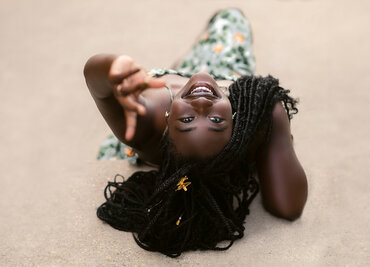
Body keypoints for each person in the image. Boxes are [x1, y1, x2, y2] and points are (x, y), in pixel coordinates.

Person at [84, 8, 307, 257]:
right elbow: (288, 206)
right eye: (215, 120)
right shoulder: (246, 107)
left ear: (167, 126)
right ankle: (187, 63)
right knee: (231, 17)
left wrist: (111, 68)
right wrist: (276, 119)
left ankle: (179, 66)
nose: (201, 104)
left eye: (187, 120)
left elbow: (95, 82)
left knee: (189, 62)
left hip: (172, 82)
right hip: (227, 68)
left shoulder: (143, 125)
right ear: (235, 125)